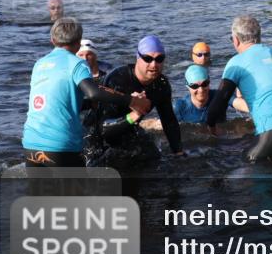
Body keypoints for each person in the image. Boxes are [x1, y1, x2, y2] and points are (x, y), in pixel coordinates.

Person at [22, 18, 151, 167]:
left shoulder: (39, 64)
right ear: (78, 42)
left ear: (52, 40)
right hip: (61, 146)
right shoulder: (76, 63)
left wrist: (92, 103)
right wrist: (133, 101)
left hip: (31, 143)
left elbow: (60, 103)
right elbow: (93, 92)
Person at [206, 15, 272, 161]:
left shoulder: (236, 62)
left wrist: (211, 129)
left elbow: (217, 106)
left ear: (236, 40)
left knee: (244, 165)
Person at [96, 35, 185, 159]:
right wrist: (136, 114)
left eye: (159, 59)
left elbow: (169, 120)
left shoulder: (161, 84)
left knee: (155, 158)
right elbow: (103, 129)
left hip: (129, 131)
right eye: (148, 59)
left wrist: (178, 153)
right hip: (96, 135)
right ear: (138, 58)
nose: (154, 64)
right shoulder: (117, 80)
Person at [173, 64, 248, 124]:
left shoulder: (219, 97)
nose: (201, 90)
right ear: (188, 86)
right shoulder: (180, 107)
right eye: (195, 86)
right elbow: (163, 124)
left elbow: (240, 104)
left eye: (204, 84)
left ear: (209, 82)